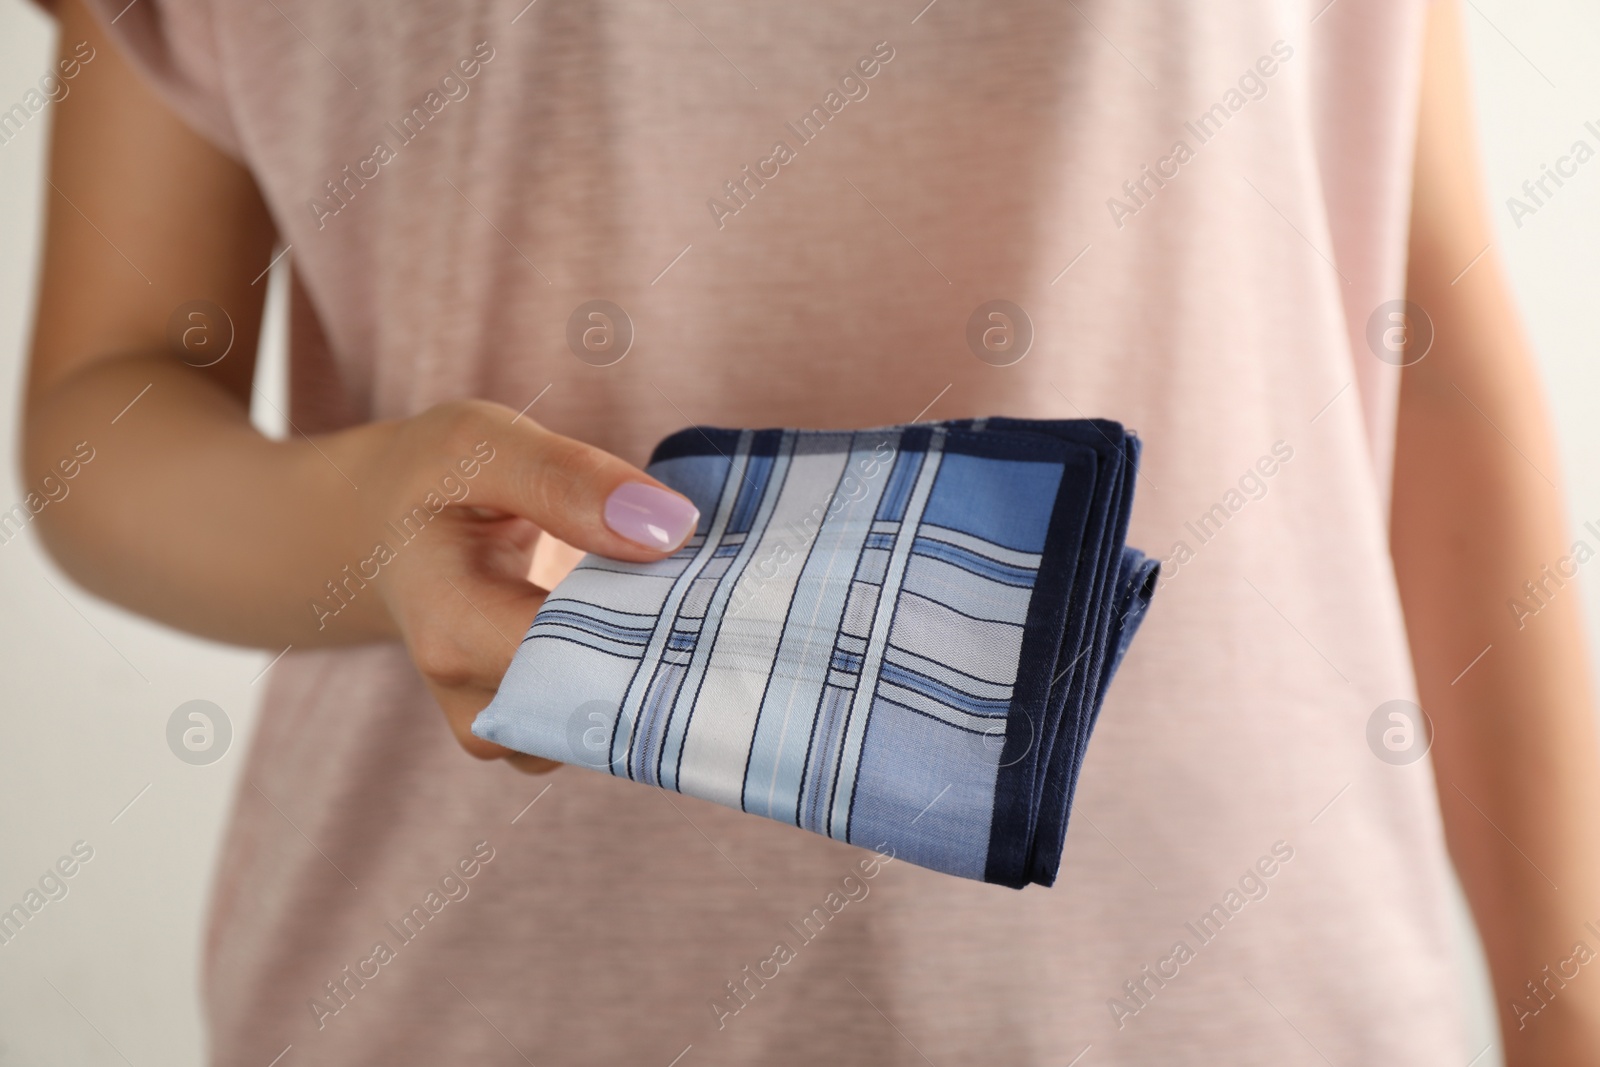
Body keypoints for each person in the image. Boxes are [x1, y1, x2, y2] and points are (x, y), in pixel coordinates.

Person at [20, 0, 1600, 1062]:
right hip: (469, 998)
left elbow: (1421, 354)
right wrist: (378, 530)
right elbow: (105, 404)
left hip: (1241, 996)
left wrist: (1568, 1006)